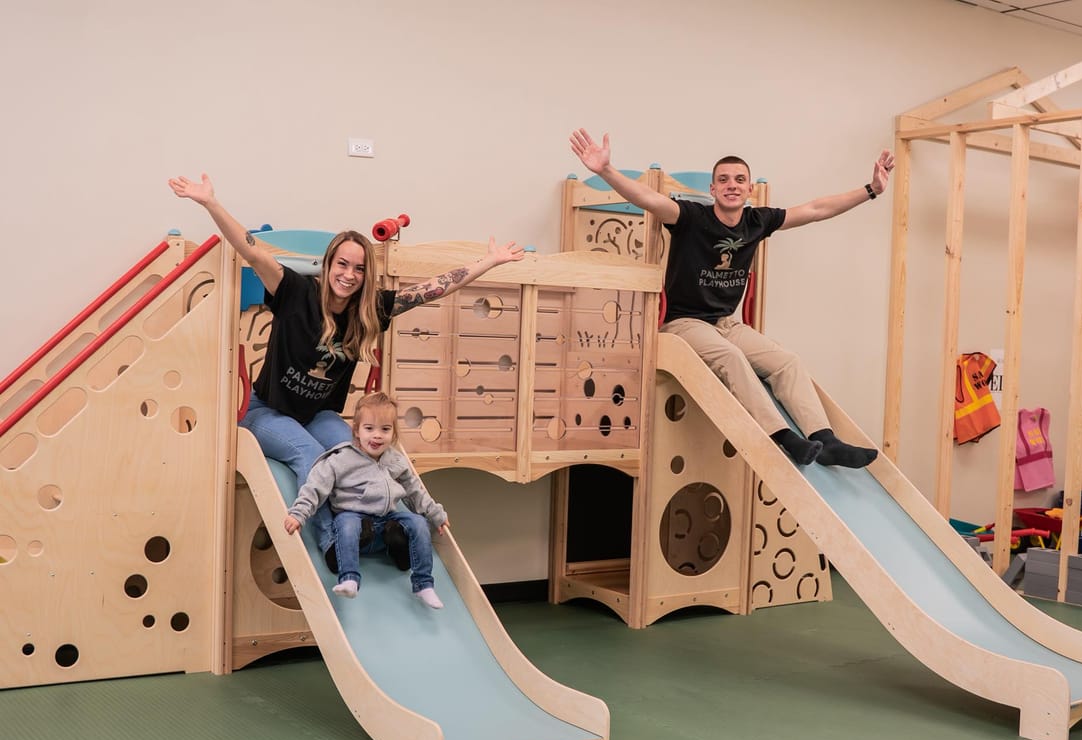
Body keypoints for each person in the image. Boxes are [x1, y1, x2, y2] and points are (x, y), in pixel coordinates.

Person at [169, 173, 523, 568]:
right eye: (342, 264)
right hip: (266, 411)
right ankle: (333, 543)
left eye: (357, 268)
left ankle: (388, 531)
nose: (348, 275)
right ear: (329, 263)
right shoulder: (295, 291)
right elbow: (251, 252)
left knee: (362, 451)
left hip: (319, 415)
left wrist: (488, 262)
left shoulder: (370, 309)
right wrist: (210, 203)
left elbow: (434, 288)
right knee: (315, 457)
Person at [568, 129, 891, 469]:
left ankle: (825, 441)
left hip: (726, 323)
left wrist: (871, 190)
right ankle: (784, 438)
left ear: (749, 189)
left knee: (787, 361)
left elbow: (815, 209)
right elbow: (648, 199)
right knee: (731, 357)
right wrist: (606, 171)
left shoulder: (757, 221)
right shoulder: (690, 217)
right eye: (723, 180)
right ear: (713, 189)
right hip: (683, 324)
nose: (732, 185)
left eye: (739, 179)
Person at [284, 392, 447, 607]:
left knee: (418, 523)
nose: (377, 436)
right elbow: (315, 487)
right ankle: (350, 579)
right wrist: (298, 514)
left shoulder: (395, 460)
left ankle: (423, 584)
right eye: (369, 429)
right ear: (357, 431)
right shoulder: (342, 459)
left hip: (387, 519)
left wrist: (436, 514)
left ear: (394, 433)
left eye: (385, 429)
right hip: (354, 519)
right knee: (346, 522)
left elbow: (415, 491)